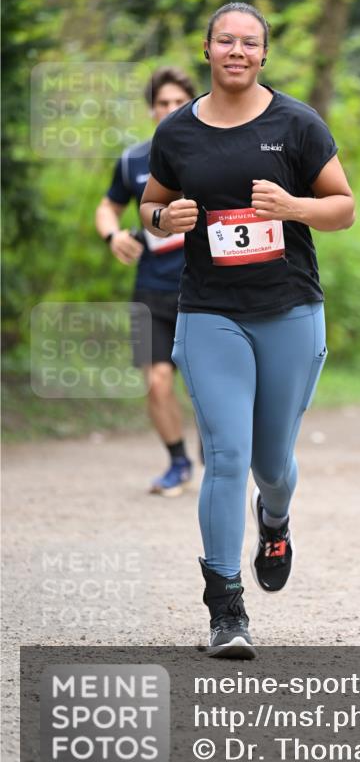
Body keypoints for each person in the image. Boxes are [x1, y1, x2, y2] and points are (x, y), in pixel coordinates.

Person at [140, 2, 355, 658]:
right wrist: (161, 221)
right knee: (227, 456)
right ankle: (225, 608)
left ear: (264, 54)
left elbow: (342, 207)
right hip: (210, 312)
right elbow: (150, 203)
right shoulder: (177, 133)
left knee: (271, 465)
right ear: (207, 49)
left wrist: (293, 207)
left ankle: (276, 518)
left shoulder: (296, 125)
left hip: (288, 309)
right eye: (225, 40)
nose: (237, 50)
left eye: (250, 42)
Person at [95, 67, 197, 496]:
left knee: (210, 386)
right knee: (156, 381)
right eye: (163, 104)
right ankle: (177, 462)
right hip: (151, 290)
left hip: (204, 291)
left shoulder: (214, 151)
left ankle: (220, 451)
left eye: (179, 103)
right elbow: (108, 207)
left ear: (192, 104)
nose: (171, 110)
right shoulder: (134, 159)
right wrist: (113, 235)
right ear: (151, 109)